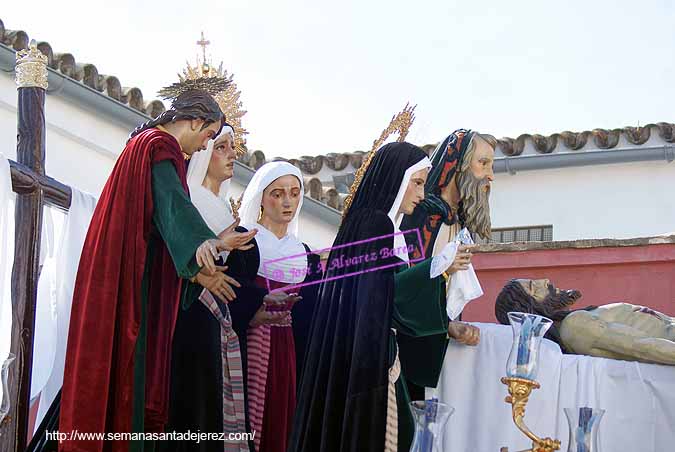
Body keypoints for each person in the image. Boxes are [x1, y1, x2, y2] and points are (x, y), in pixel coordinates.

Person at [59, 90, 255, 452]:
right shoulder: (159, 147)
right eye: (209, 136)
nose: (202, 148)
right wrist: (206, 246)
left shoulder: (140, 147)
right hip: (136, 292)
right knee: (128, 389)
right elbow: (172, 208)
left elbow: (156, 231)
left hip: (126, 279)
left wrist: (196, 273)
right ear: (195, 121)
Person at [290, 142, 462, 452]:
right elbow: (379, 292)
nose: (422, 195)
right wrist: (435, 268)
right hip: (367, 362)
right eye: (418, 183)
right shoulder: (375, 224)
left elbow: (381, 290)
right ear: (397, 178)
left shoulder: (378, 225)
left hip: (366, 353)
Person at [161, 127, 258, 452]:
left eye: (233, 147)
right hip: (191, 317)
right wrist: (222, 243)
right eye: (221, 147)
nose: (233, 154)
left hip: (218, 321)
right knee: (195, 406)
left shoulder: (220, 206)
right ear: (203, 154)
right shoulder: (190, 200)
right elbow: (180, 256)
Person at [225, 162, 321, 452]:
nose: (287, 201)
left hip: (288, 351)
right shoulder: (245, 241)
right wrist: (255, 310)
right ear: (262, 198)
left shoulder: (305, 255)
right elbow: (228, 292)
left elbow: (310, 314)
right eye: (277, 194)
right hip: (245, 344)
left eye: (294, 193)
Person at [399, 129, 496, 399]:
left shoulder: (459, 223)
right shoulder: (419, 216)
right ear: (458, 165)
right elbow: (405, 288)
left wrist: (451, 323)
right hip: (406, 357)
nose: (490, 176)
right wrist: (446, 324)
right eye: (483, 163)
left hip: (440, 354)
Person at [495, 278, 675, 365]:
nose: (545, 281)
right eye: (533, 287)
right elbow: (644, 347)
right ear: (530, 308)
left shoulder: (575, 321)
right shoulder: (575, 326)